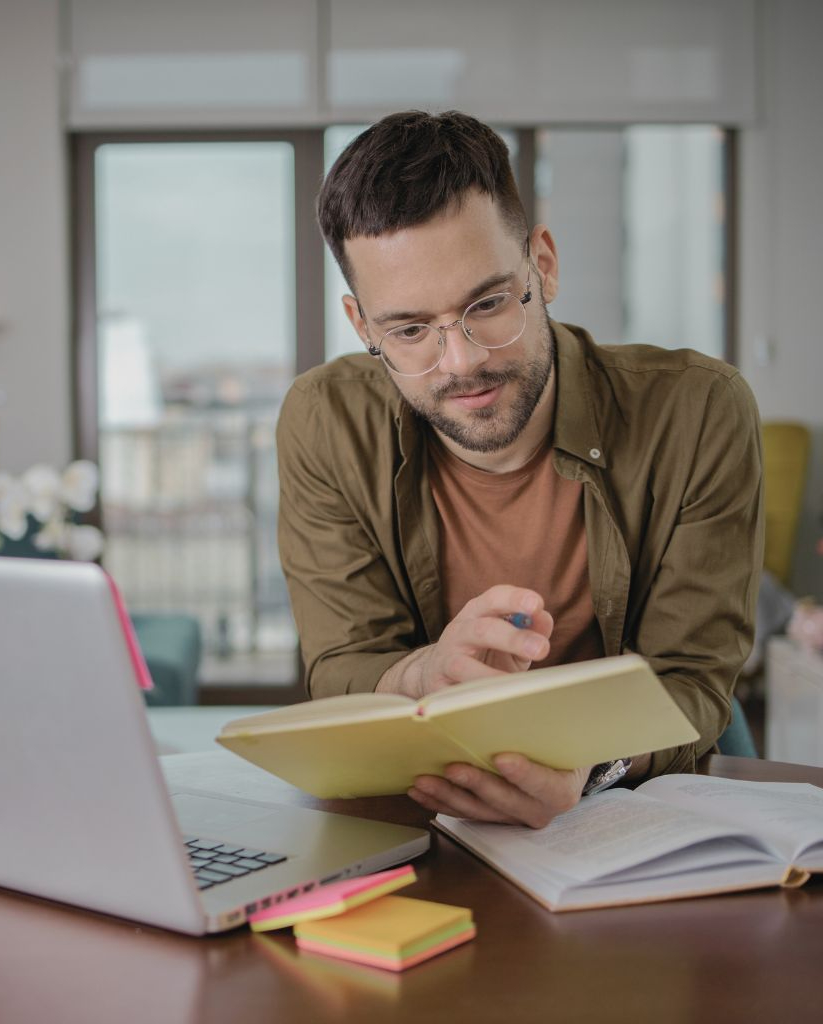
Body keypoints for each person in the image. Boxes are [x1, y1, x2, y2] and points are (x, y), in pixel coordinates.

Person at [276, 110, 763, 829]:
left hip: (629, 809)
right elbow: (343, 663)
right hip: (430, 816)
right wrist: (425, 672)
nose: (462, 358)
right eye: (410, 330)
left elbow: (690, 678)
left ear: (544, 264)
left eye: (489, 303)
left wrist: (590, 768)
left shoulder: (700, 410)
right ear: (360, 325)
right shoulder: (324, 420)